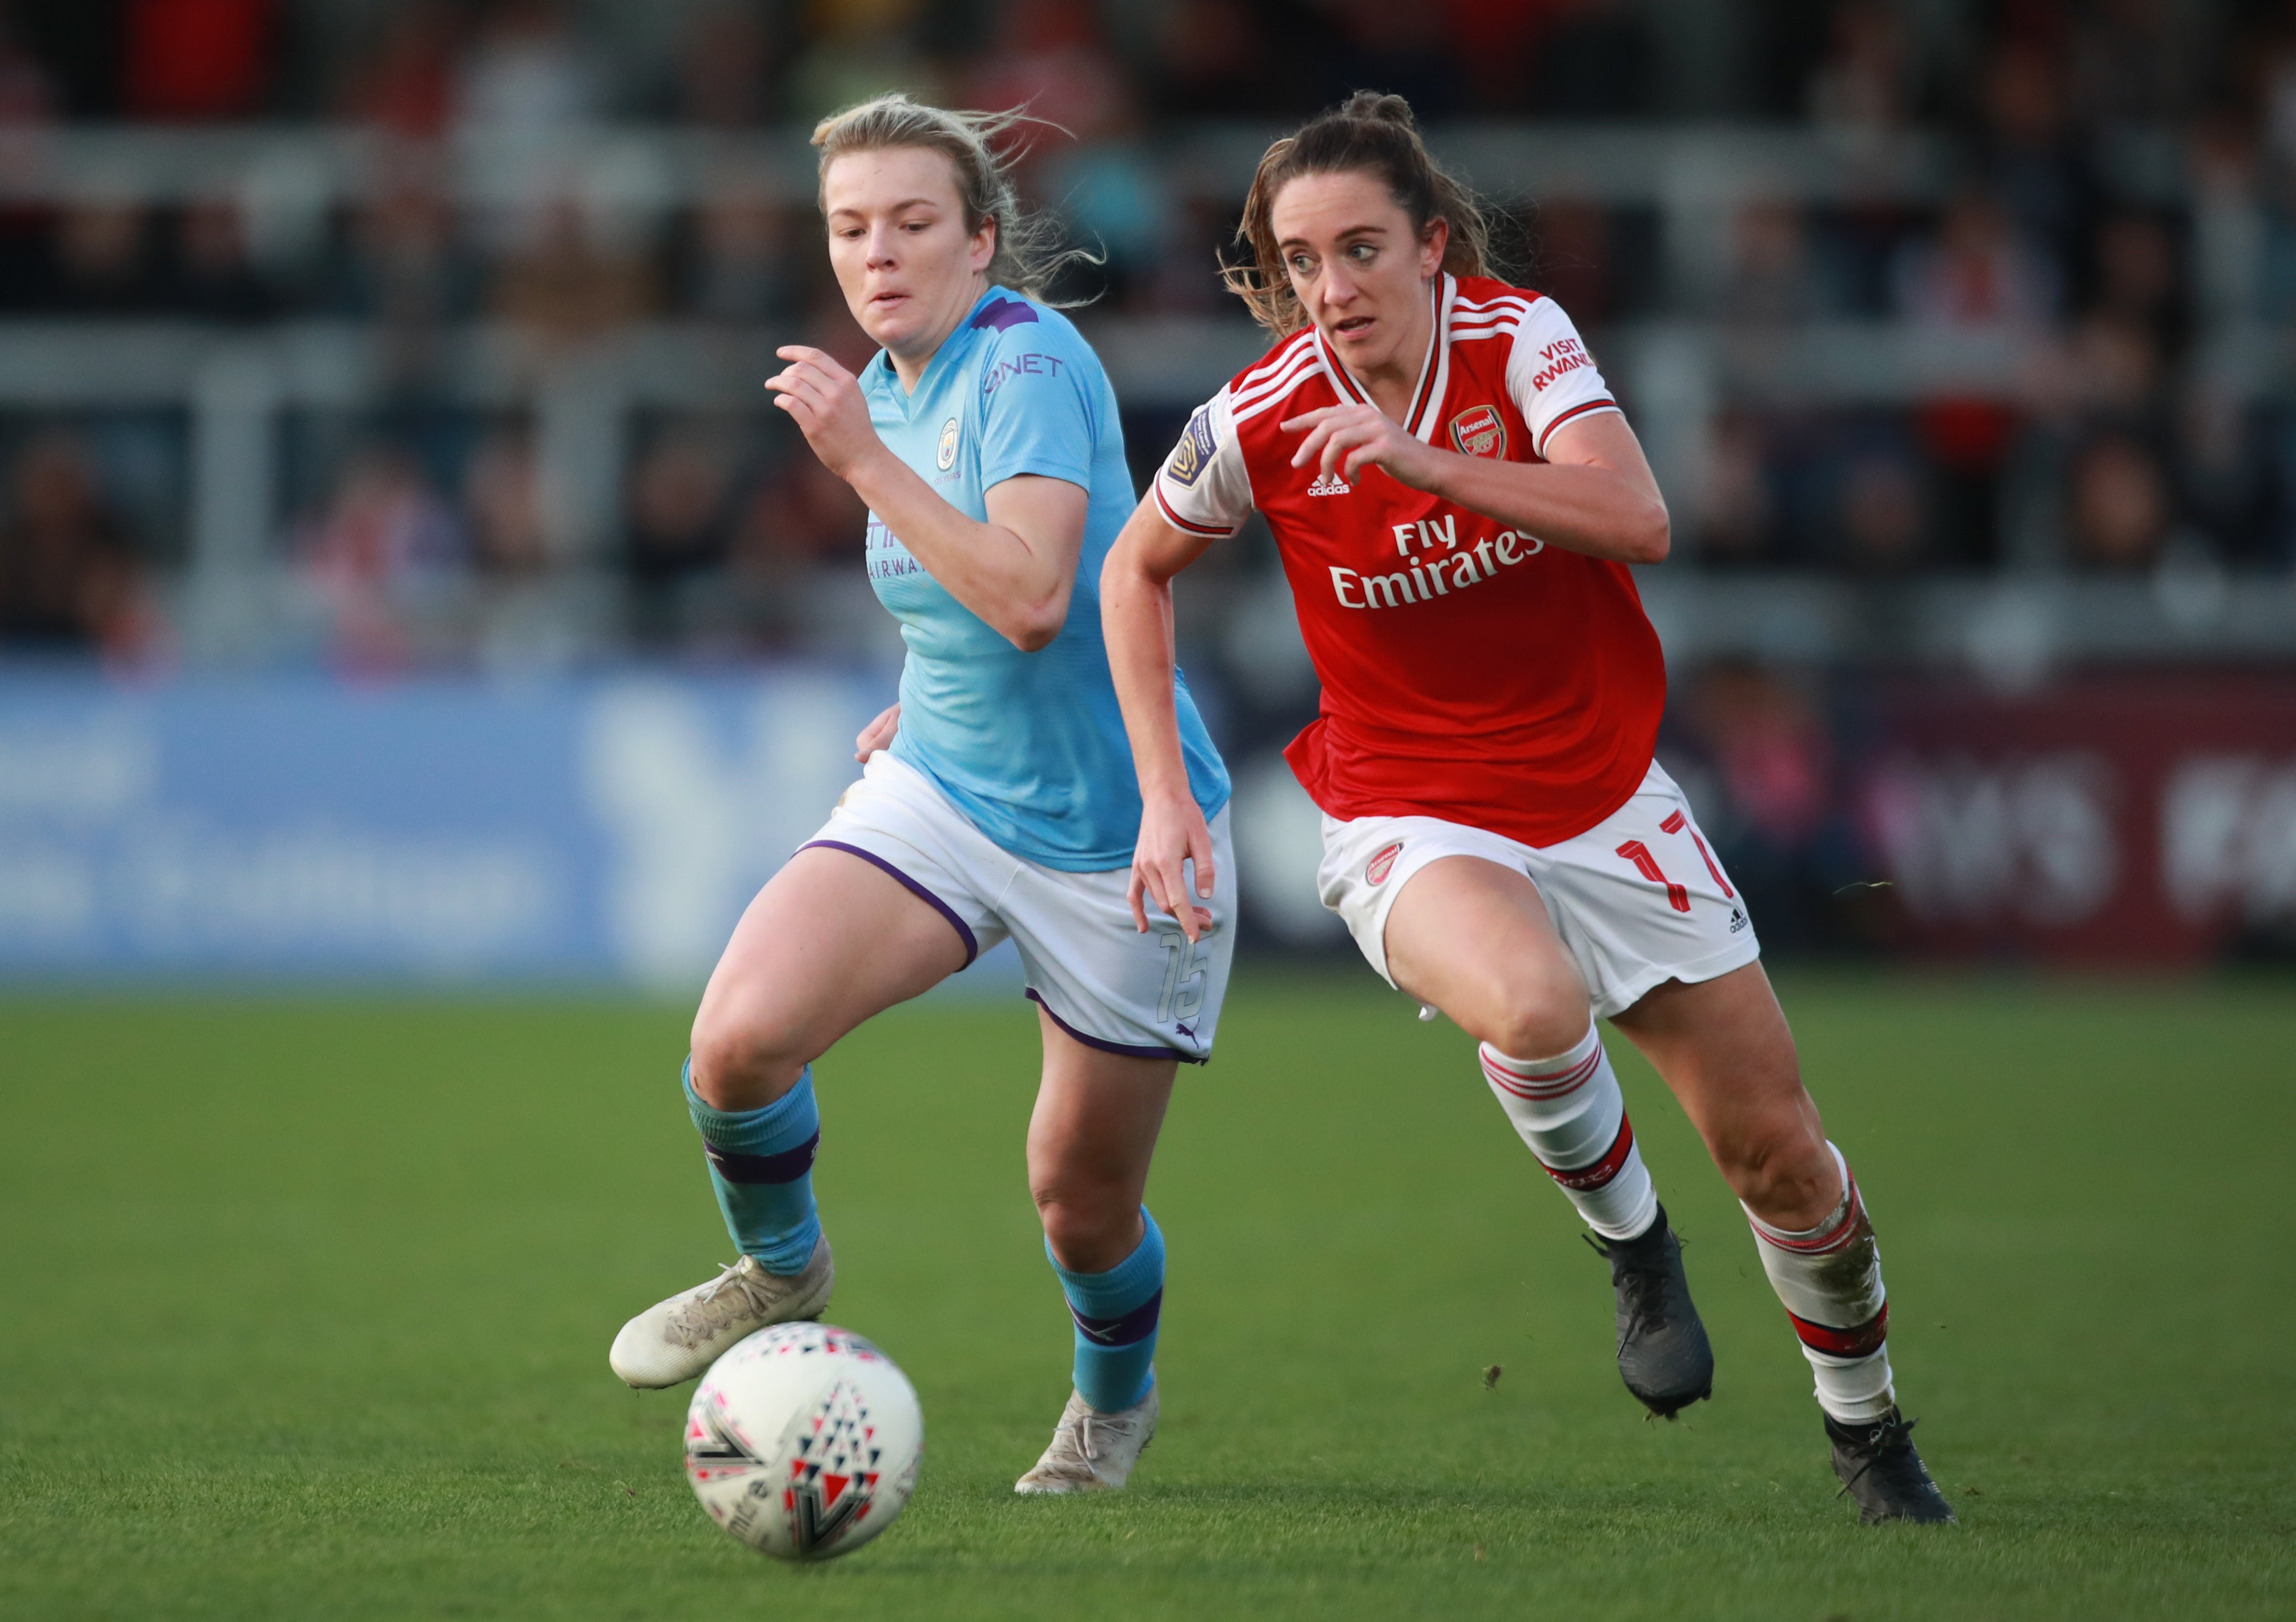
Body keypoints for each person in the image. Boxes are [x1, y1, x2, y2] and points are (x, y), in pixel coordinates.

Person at [1100, 91, 1952, 1524]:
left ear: (1434, 245)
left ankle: (1867, 1434)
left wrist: (1430, 465)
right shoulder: (1253, 417)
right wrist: (1161, 799)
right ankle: (1634, 1249)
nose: (1331, 288)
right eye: (1301, 260)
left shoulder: (1519, 339)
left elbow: (1639, 517)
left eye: (1361, 248)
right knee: (1535, 1007)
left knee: (1785, 1160)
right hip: (1405, 810)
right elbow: (1133, 574)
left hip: (1605, 800)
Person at [609, 94, 1235, 1497]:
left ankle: (1107, 1404)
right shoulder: (887, 384)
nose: (877, 252)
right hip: (947, 787)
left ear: (980, 241)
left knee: (1080, 1205)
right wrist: (924, 686)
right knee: (737, 1043)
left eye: (910, 223)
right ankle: (782, 1267)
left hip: (1117, 830)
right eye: (849, 227)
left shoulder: (1023, 362)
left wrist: (857, 462)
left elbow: (1026, 596)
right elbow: (973, 606)